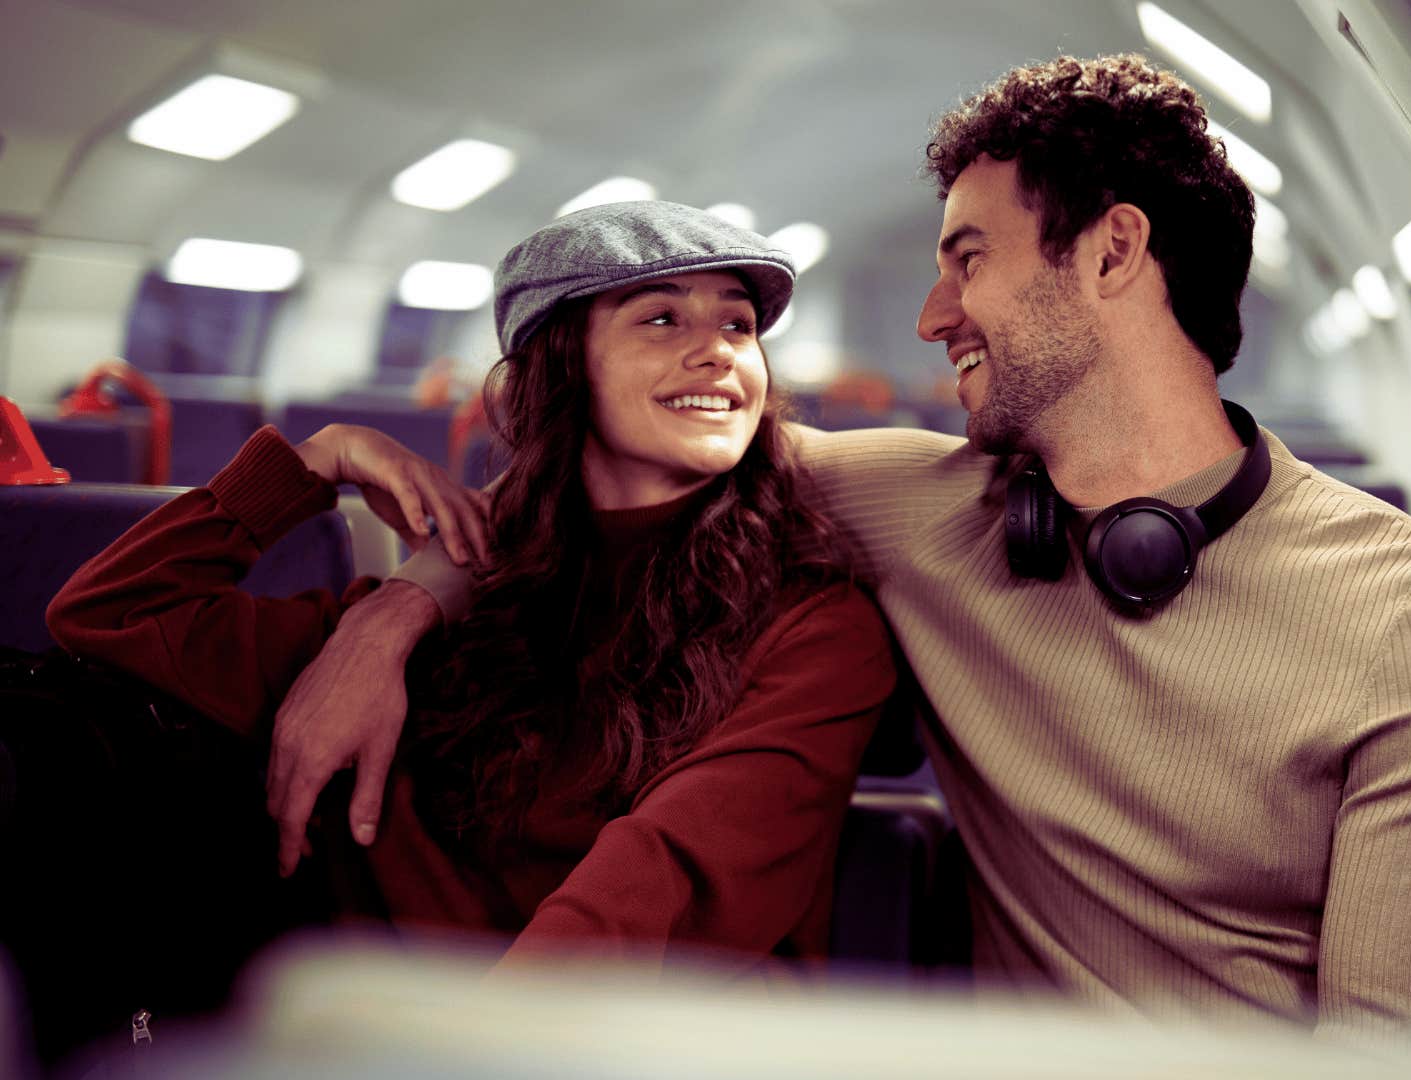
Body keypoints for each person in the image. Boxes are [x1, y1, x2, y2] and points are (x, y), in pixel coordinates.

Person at [275, 56, 1411, 1044]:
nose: (933, 315)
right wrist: (396, 612)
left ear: (1113, 251)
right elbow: (599, 469)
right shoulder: (923, 505)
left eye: (968, 260)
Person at [36, 203, 894, 984]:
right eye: (662, 318)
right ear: (561, 366)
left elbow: (663, 877)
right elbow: (109, 613)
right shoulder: (437, 607)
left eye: (738, 327)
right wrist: (313, 462)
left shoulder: (815, 624)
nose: (717, 350)